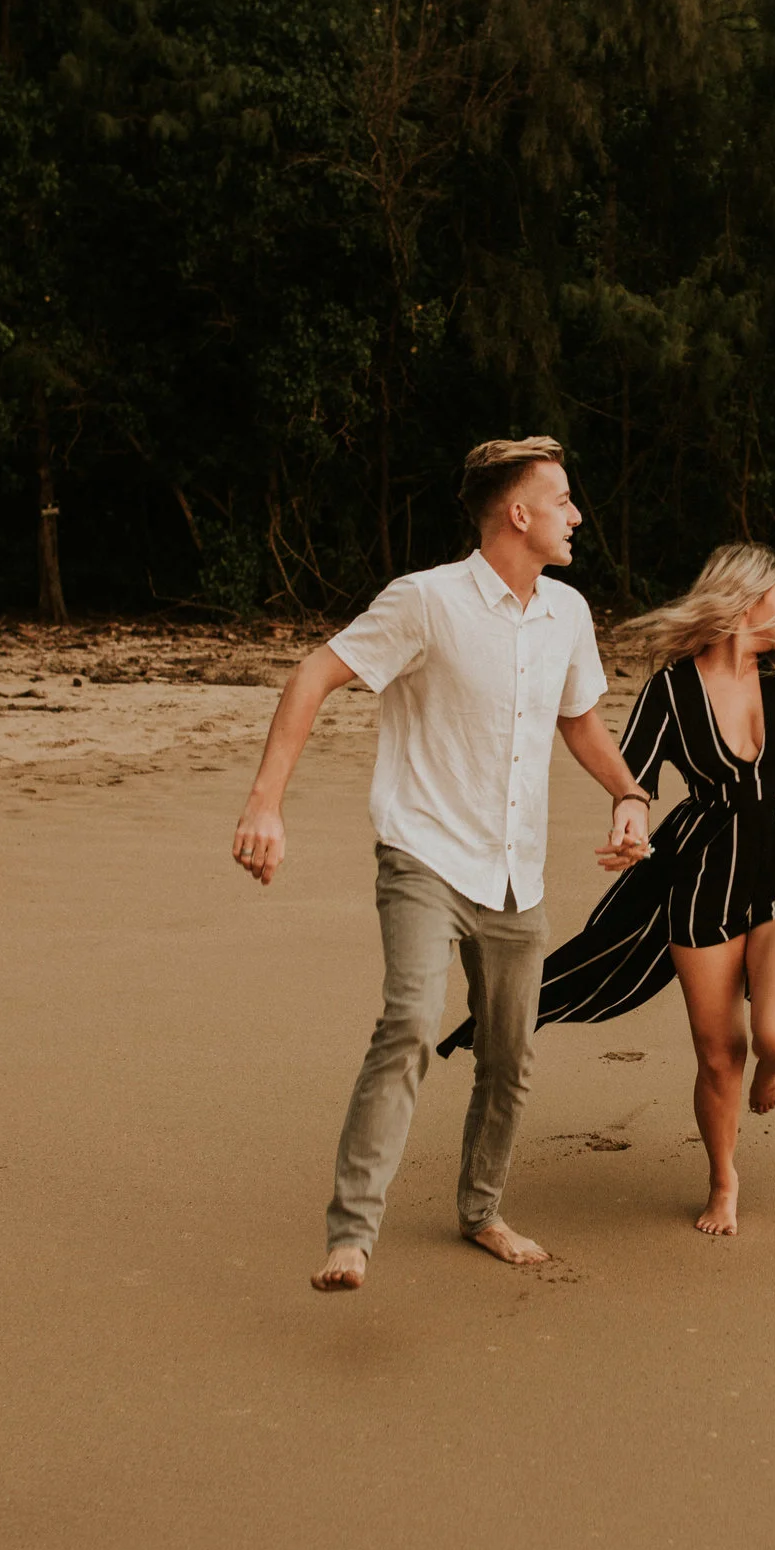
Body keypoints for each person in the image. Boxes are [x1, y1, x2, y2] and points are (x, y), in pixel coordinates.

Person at [230, 437, 652, 1293]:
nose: (577, 516)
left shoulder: (567, 612)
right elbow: (313, 674)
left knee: (509, 1052)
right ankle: (351, 1234)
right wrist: (265, 802)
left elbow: (577, 720)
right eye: (563, 500)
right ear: (518, 513)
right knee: (412, 1020)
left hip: (515, 872)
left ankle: (482, 1209)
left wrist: (629, 793)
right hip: (423, 852)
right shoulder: (424, 601)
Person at [439, 543, 775, 1235]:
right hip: (704, 871)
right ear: (742, 598)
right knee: (718, 1056)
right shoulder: (672, 690)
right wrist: (629, 824)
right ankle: (723, 1179)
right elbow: (636, 782)